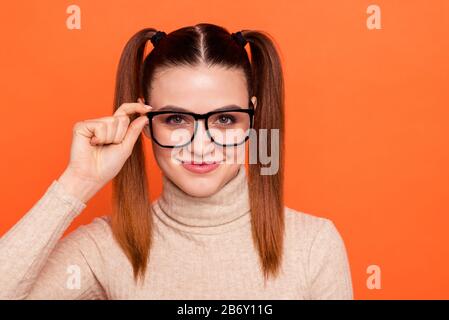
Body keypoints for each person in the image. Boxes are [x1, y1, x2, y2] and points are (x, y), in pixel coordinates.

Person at [0, 23, 353, 299]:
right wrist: (78, 182)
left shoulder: (314, 245)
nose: (200, 146)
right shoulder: (104, 249)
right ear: (145, 123)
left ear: (254, 119)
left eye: (225, 119)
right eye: (176, 120)